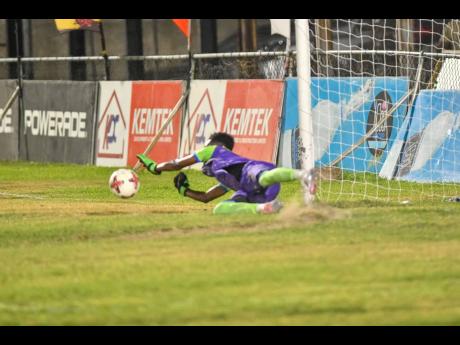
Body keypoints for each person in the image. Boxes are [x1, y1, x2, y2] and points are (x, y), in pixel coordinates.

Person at [136, 132, 317, 215]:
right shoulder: (223, 175)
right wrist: (184, 191)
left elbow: (177, 164)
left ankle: (303, 175)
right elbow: (207, 197)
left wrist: (155, 168)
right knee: (219, 208)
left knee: (263, 177)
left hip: (253, 172)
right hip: (256, 193)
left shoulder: (213, 151)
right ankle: (265, 208)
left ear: (213, 144)